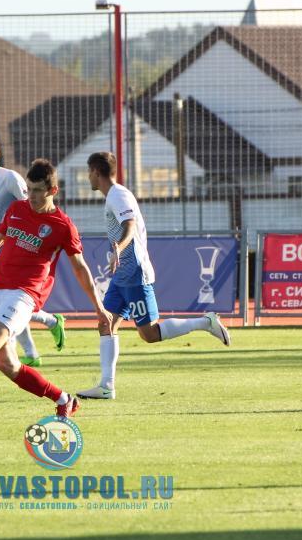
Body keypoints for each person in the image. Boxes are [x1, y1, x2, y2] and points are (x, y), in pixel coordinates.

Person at [0, 158, 111, 417]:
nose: (31, 196)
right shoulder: (16, 209)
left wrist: (99, 308)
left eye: (38, 190)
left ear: (53, 190)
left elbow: (80, 268)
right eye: (29, 189)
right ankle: (64, 399)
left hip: (25, 294)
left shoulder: (63, 225)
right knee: (8, 364)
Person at [77, 151, 229, 400]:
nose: (88, 177)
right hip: (122, 275)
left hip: (135, 272)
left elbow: (129, 225)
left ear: (95, 172)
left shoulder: (118, 195)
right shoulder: (113, 195)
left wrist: (118, 248)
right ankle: (106, 386)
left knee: (149, 333)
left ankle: (205, 322)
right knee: (106, 323)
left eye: (88, 172)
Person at [0, 131, 66, 367]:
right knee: (8, 303)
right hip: (0, 244)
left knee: (13, 301)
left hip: (22, 245)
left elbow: (32, 205)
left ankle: (43, 333)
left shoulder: (9, 178)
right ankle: (37, 345)